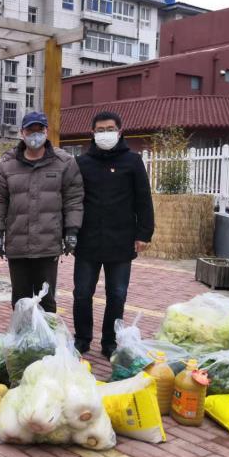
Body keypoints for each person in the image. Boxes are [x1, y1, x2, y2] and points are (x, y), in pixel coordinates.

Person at [73, 111, 155, 358]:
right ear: (93, 133)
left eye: (110, 129)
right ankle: (82, 339)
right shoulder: (82, 163)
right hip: (87, 240)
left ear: (119, 132)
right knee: (82, 293)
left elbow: (143, 199)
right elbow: (73, 200)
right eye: (100, 130)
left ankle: (109, 341)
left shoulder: (133, 161)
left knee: (117, 295)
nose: (105, 133)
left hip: (121, 240)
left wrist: (144, 233)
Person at [0, 112, 84, 312]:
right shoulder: (6, 165)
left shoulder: (64, 163)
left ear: (46, 131)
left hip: (48, 245)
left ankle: (46, 332)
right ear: (22, 133)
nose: (35, 135)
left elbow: (73, 199)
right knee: (20, 301)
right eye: (30, 130)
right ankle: (22, 332)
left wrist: (72, 231)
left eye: (39, 130)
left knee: (46, 300)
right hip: (17, 245)